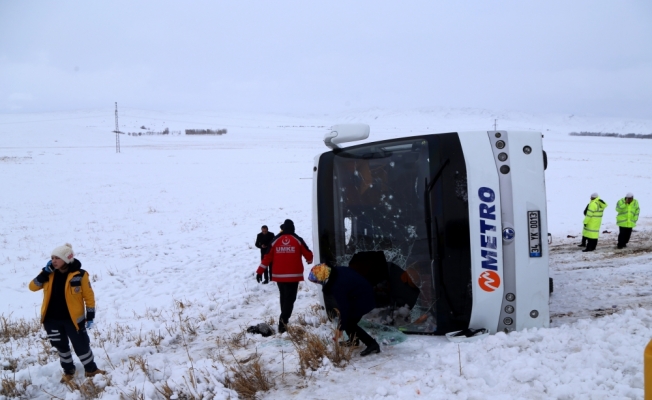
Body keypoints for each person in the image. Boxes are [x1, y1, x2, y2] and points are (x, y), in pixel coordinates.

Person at [29, 243, 105, 382]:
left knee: (81, 346)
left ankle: (91, 370)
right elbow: (32, 287)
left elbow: (89, 296)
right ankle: (69, 371)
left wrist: (90, 315)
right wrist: (45, 273)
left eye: (57, 258)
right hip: (51, 320)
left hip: (73, 320)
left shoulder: (80, 275)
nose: (54, 261)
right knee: (61, 348)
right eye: (52, 258)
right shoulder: (47, 273)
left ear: (67, 259)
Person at [308, 264, 381, 356]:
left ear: (322, 277)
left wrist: (340, 328)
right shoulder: (335, 272)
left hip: (364, 298)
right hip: (360, 294)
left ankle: (372, 344)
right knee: (347, 321)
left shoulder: (337, 285)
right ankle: (353, 341)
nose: (317, 283)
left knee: (350, 323)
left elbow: (344, 307)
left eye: (317, 281)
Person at [255, 219, 313, 333]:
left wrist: (260, 271)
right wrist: (309, 260)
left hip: (279, 276)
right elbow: (309, 254)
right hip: (293, 276)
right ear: (293, 228)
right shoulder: (298, 239)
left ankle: (284, 320)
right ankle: (283, 320)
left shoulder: (275, 240)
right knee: (290, 299)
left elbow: (267, 257)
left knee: (283, 296)